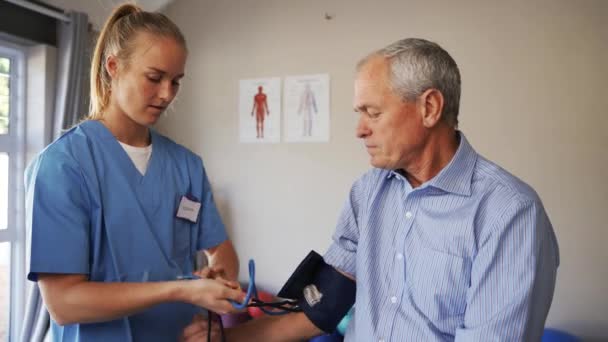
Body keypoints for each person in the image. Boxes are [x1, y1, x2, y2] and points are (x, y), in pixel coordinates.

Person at [183, 38, 560, 341]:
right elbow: (324, 306)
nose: (359, 130)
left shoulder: (509, 213)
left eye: (373, 113)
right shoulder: (368, 193)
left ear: (429, 108)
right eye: (359, 114)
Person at [24, 4, 244, 341]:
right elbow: (64, 303)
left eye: (176, 81)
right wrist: (180, 291)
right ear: (113, 67)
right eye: (154, 78)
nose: (167, 94)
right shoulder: (63, 166)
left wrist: (213, 295)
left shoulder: (186, 166)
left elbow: (222, 251)